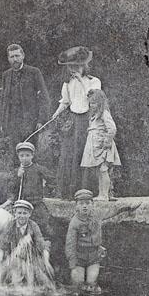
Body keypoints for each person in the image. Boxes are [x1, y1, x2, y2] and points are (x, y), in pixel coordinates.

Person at [51, 46, 102, 199]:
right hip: (73, 121)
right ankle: (68, 193)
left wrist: (81, 80)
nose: (73, 69)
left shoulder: (94, 81)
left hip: (88, 120)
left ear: (84, 65)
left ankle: (86, 192)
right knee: (69, 154)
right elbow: (65, 102)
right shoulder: (68, 83)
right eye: (70, 66)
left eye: (76, 65)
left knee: (85, 154)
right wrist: (55, 113)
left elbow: (93, 97)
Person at [65, 189, 140, 292]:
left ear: (92, 204)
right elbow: (70, 244)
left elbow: (113, 210)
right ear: (76, 206)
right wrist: (72, 264)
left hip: (94, 256)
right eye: (81, 204)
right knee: (78, 284)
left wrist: (128, 207)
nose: (85, 206)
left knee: (92, 284)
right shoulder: (74, 223)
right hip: (79, 257)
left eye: (88, 203)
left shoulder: (97, 214)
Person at [0, 44, 52, 145]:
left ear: (23, 56)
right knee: (15, 153)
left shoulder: (34, 72)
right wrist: (3, 122)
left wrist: (42, 120)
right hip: (12, 123)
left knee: (30, 153)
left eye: (17, 56)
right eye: (12, 57)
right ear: (8, 59)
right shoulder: (6, 75)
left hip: (30, 121)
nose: (15, 59)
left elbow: (44, 97)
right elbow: (3, 100)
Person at [0, 199, 53, 288]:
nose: (22, 216)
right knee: (1, 274)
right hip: (13, 258)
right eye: (19, 213)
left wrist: (46, 261)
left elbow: (42, 244)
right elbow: (2, 245)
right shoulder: (10, 225)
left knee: (44, 280)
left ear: (29, 214)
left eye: (25, 213)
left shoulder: (33, 225)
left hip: (31, 259)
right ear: (15, 213)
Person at [80, 89, 121, 201]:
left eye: (94, 103)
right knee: (99, 171)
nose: (92, 105)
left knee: (103, 169)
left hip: (103, 146)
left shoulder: (104, 113)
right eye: (90, 103)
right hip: (95, 147)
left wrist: (107, 141)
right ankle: (102, 193)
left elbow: (112, 128)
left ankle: (105, 195)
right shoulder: (94, 116)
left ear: (100, 102)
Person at [7, 142, 53, 238]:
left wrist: (46, 190)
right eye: (22, 156)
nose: (24, 158)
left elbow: (52, 180)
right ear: (18, 157)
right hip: (22, 205)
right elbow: (11, 188)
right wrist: (18, 177)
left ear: (32, 155)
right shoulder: (16, 172)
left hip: (36, 203)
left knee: (44, 225)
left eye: (27, 155)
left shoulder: (38, 169)